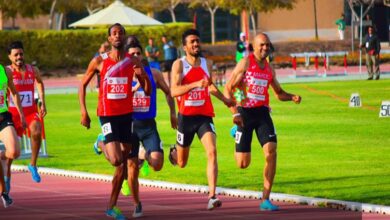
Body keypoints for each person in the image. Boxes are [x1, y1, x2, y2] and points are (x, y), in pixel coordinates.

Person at [79, 23, 151, 219]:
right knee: (116, 159)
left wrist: (141, 77)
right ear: (109, 39)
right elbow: (82, 85)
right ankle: (100, 142)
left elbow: (148, 90)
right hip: (107, 114)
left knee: (123, 163)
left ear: (124, 37)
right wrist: (84, 112)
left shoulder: (132, 61)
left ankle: (111, 207)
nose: (117, 36)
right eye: (114, 33)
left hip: (126, 116)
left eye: (120, 33)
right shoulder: (99, 61)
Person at [224, 33, 301, 211]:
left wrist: (292, 97)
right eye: (262, 45)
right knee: (242, 164)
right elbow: (228, 88)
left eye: (267, 45)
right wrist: (235, 113)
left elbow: (279, 93)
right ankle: (236, 131)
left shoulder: (269, 69)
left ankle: (265, 199)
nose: (265, 48)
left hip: (262, 113)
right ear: (254, 46)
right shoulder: (246, 63)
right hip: (244, 113)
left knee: (271, 151)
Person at [169, 29, 235, 210]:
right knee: (182, 163)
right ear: (185, 47)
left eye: (197, 41)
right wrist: (195, 84)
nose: (196, 44)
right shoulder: (179, 65)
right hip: (186, 118)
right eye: (192, 42)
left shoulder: (207, 63)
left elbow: (210, 86)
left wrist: (226, 100)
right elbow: (174, 91)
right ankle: (174, 151)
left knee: (212, 151)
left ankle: (212, 196)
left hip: (204, 116)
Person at [5, 41, 46, 190]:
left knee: (36, 130)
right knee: (12, 153)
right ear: (10, 57)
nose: (19, 57)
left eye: (21, 54)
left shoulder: (32, 69)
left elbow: (40, 83)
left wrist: (42, 101)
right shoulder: (7, 71)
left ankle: (33, 164)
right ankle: (6, 177)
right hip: (13, 115)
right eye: (15, 55)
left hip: (30, 112)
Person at [0, 63, 26, 208]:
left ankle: (2, 155)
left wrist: (21, 114)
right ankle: (4, 191)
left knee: (15, 152)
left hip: (3, 116)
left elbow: (14, 92)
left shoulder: (5, 71)